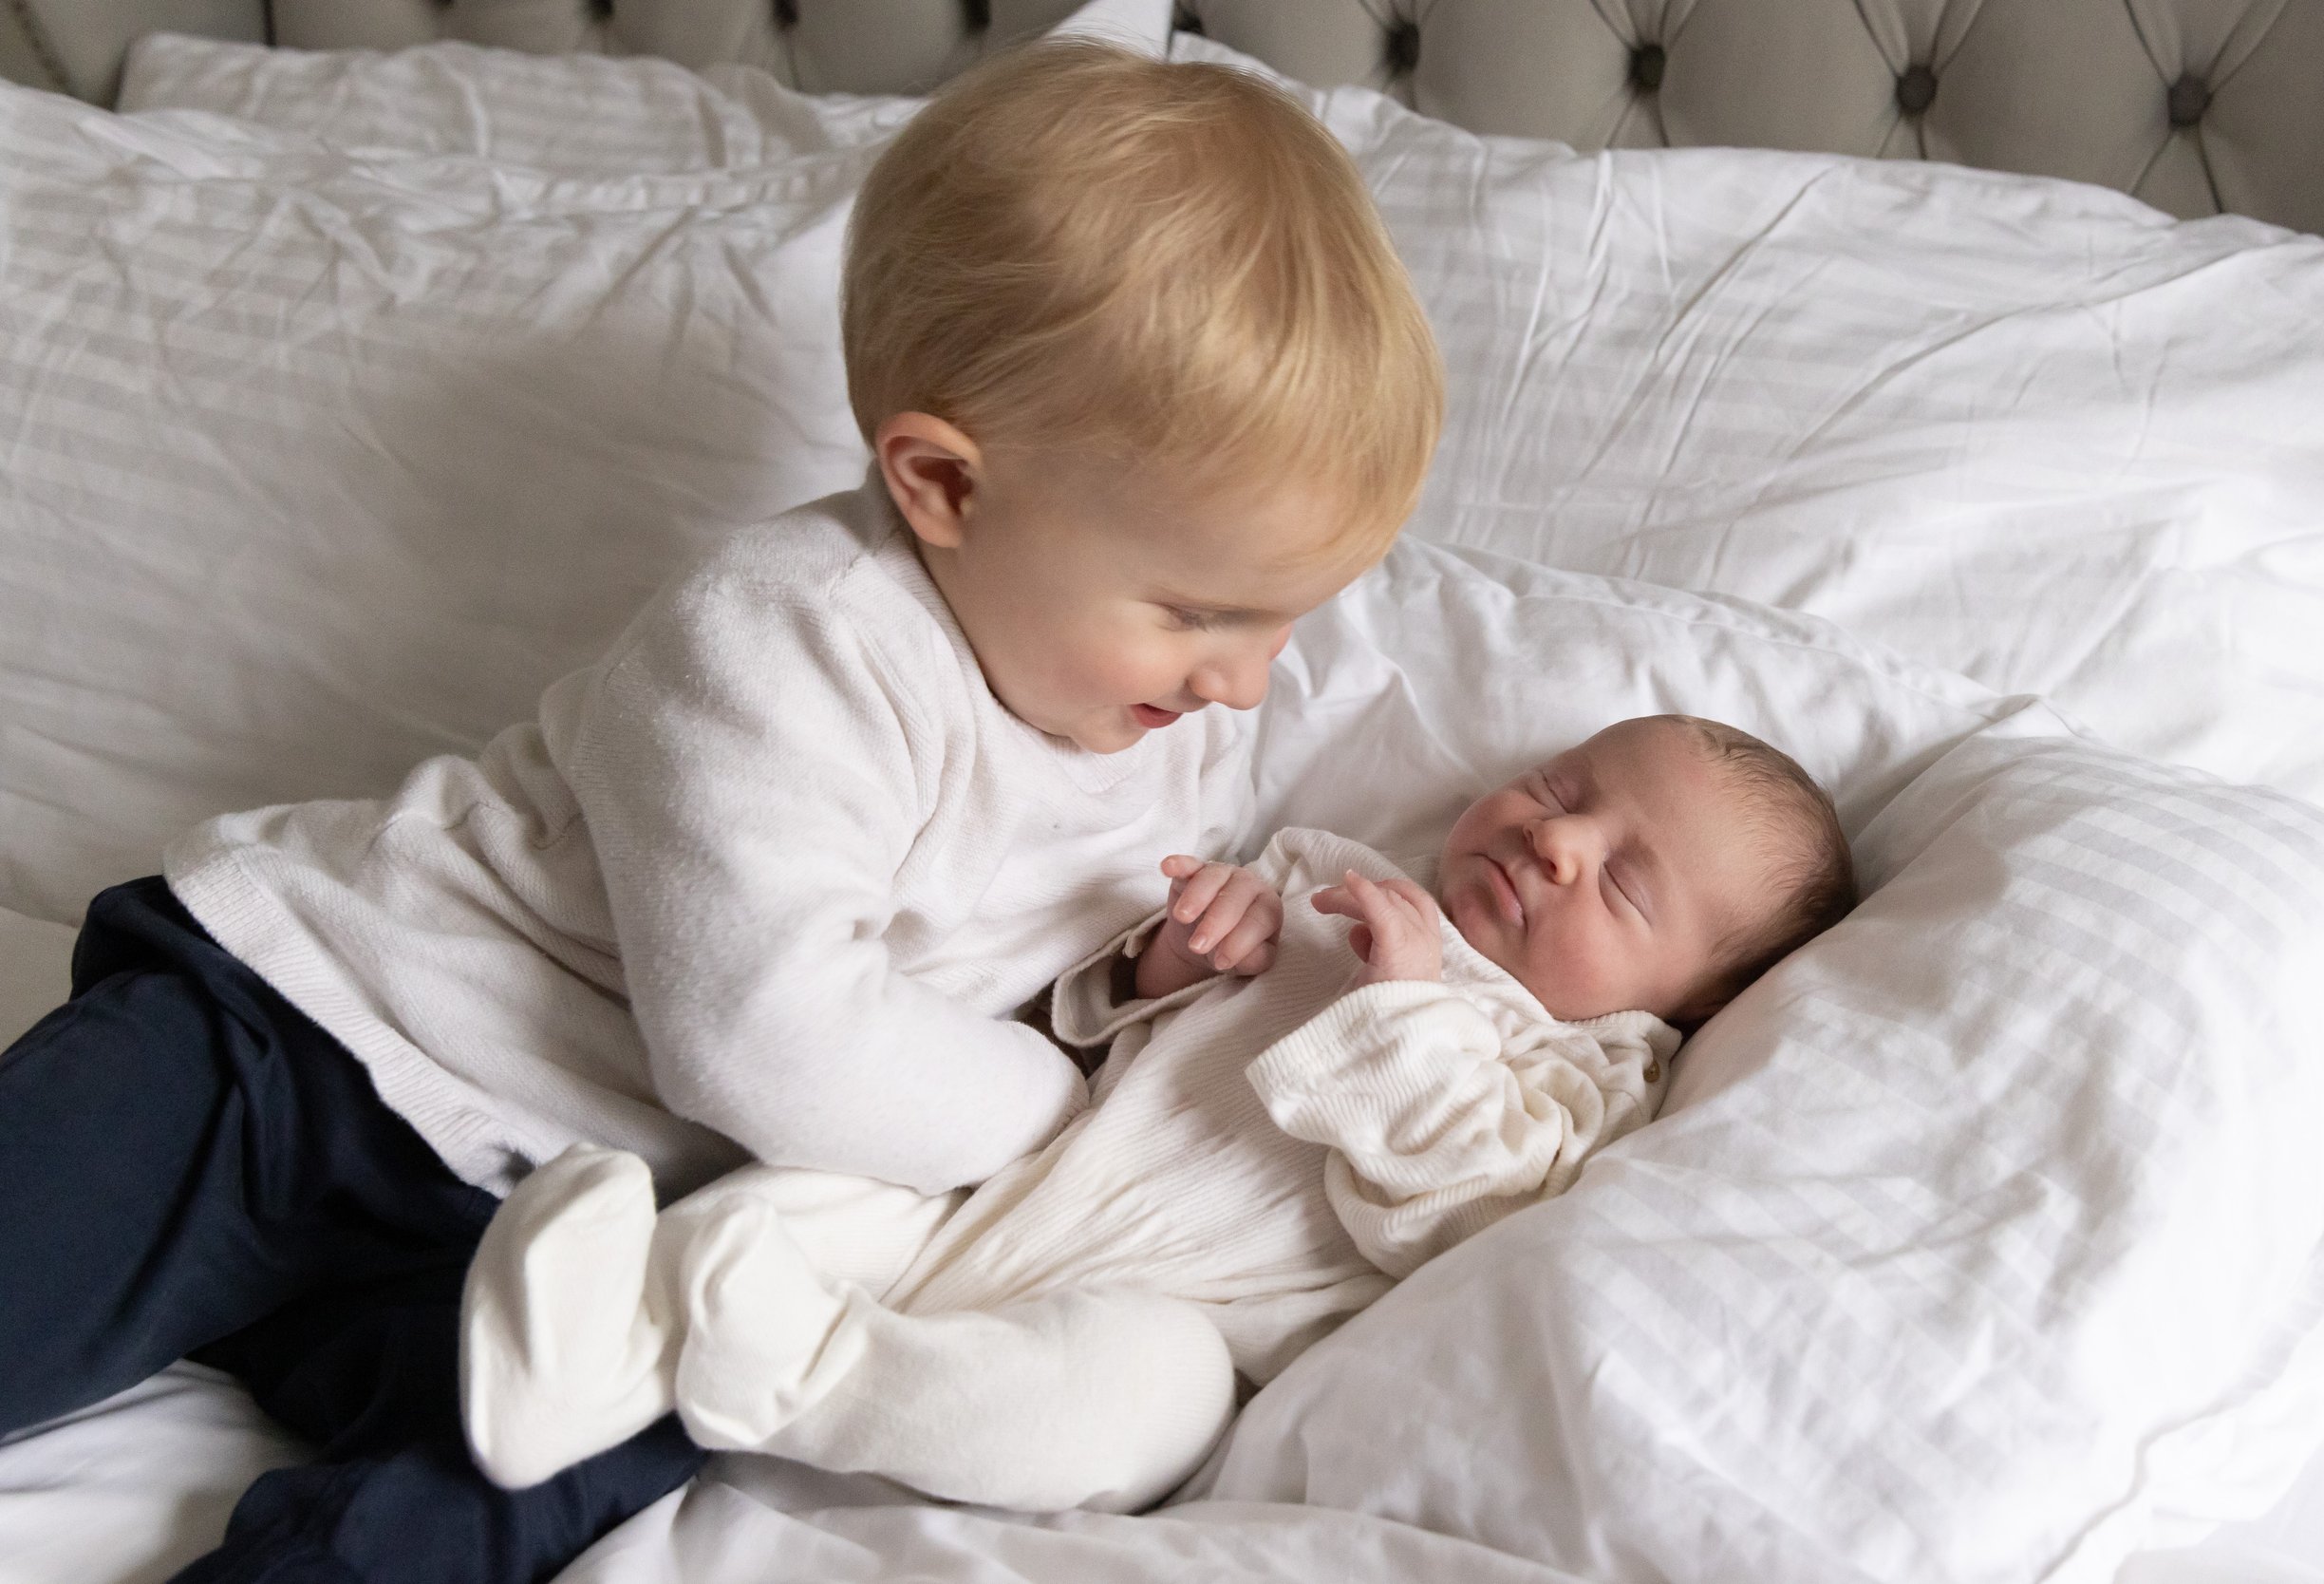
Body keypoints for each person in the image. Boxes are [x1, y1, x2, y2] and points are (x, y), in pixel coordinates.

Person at [0, 38, 1442, 1584]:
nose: (1245, 680)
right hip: (302, 1048)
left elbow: (1008, 963)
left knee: (572, 1452)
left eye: (1289, 621)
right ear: (944, 486)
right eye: (1198, 613)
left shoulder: (1168, 728)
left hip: (549, 1217)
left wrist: (1137, 980)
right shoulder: (786, 635)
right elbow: (767, 1033)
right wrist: (1056, 1108)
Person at [461, 715, 1858, 1513]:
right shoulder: (1329, 872)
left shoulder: (1590, 1077)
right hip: (1005, 1187)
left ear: (1672, 1007)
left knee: (1144, 1410)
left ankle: (815, 1377)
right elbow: (1074, 1027)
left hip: (1184, 1322)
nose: (1556, 841)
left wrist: (1412, 1007)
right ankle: (574, 1364)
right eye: (1563, 791)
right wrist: (1167, 962)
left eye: (1621, 885)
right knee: (828, 1191)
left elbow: (1473, 1215)